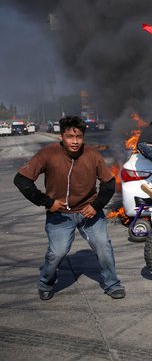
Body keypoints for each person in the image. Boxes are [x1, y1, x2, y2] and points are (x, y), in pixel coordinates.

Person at [13, 116, 125, 300]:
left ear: (83, 137)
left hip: (89, 213)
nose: (75, 142)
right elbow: (21, 180)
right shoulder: (47, 154)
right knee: (57, 253)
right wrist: (48, 202)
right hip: (60, 215)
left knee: (103, 246)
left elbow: (109, 184)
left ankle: (112, 284)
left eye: (79, 137)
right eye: (70, 137)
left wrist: (95, 206)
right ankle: (45, 282)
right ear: (61, 137)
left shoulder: (92, 155)